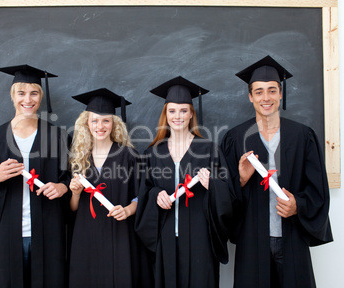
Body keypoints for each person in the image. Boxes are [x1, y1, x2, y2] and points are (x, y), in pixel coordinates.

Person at [221, 55, 333, 288]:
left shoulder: (302, 136)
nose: (266, 98)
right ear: (250, 96)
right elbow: (221, 195)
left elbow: (318, 189)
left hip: (292, 237)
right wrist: (240, 180)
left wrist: (298, 205)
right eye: (259, 92)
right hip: (252, 239)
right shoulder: (235, 138)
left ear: (280, 94)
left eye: (272, 91)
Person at [0, 65, 72, 288]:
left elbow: (73, 177)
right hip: (7, 233)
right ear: (12, 96)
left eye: (34, 93)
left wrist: (63, 187)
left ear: (41, 96)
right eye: (21, 93)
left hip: (49, 232)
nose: (27, 99)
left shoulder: (58, 137)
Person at [135, 76, 233, 288]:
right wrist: (155, 195)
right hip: (165, 237)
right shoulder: (153, 153)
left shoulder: (209, 149)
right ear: (165, 115)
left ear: (191, 114)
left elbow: (229, 194)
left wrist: (213, 185)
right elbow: (145, 192)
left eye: (183, 110)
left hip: (200, 238)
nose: (177, 116)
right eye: (172, 111)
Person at [68, 88, 153, 288]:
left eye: (106, 120)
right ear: (86, 124)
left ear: (114, 123)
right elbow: (72, 209)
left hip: (120, 234)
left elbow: (141, 195)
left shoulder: (129, 155)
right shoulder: (79, 159)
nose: (100, 126)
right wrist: (75, 192)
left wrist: (127, 210)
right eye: (95, 120)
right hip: (86, 235)